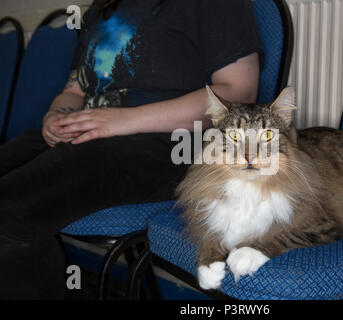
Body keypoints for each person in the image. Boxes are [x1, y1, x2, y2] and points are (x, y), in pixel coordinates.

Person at [0, 0, 263, 299]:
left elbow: (239, 93)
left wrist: (125, 121)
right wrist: (56, 115)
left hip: (174, 143)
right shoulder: (101, 9)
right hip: (96, 134)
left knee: (10, 214)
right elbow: (74, 91)